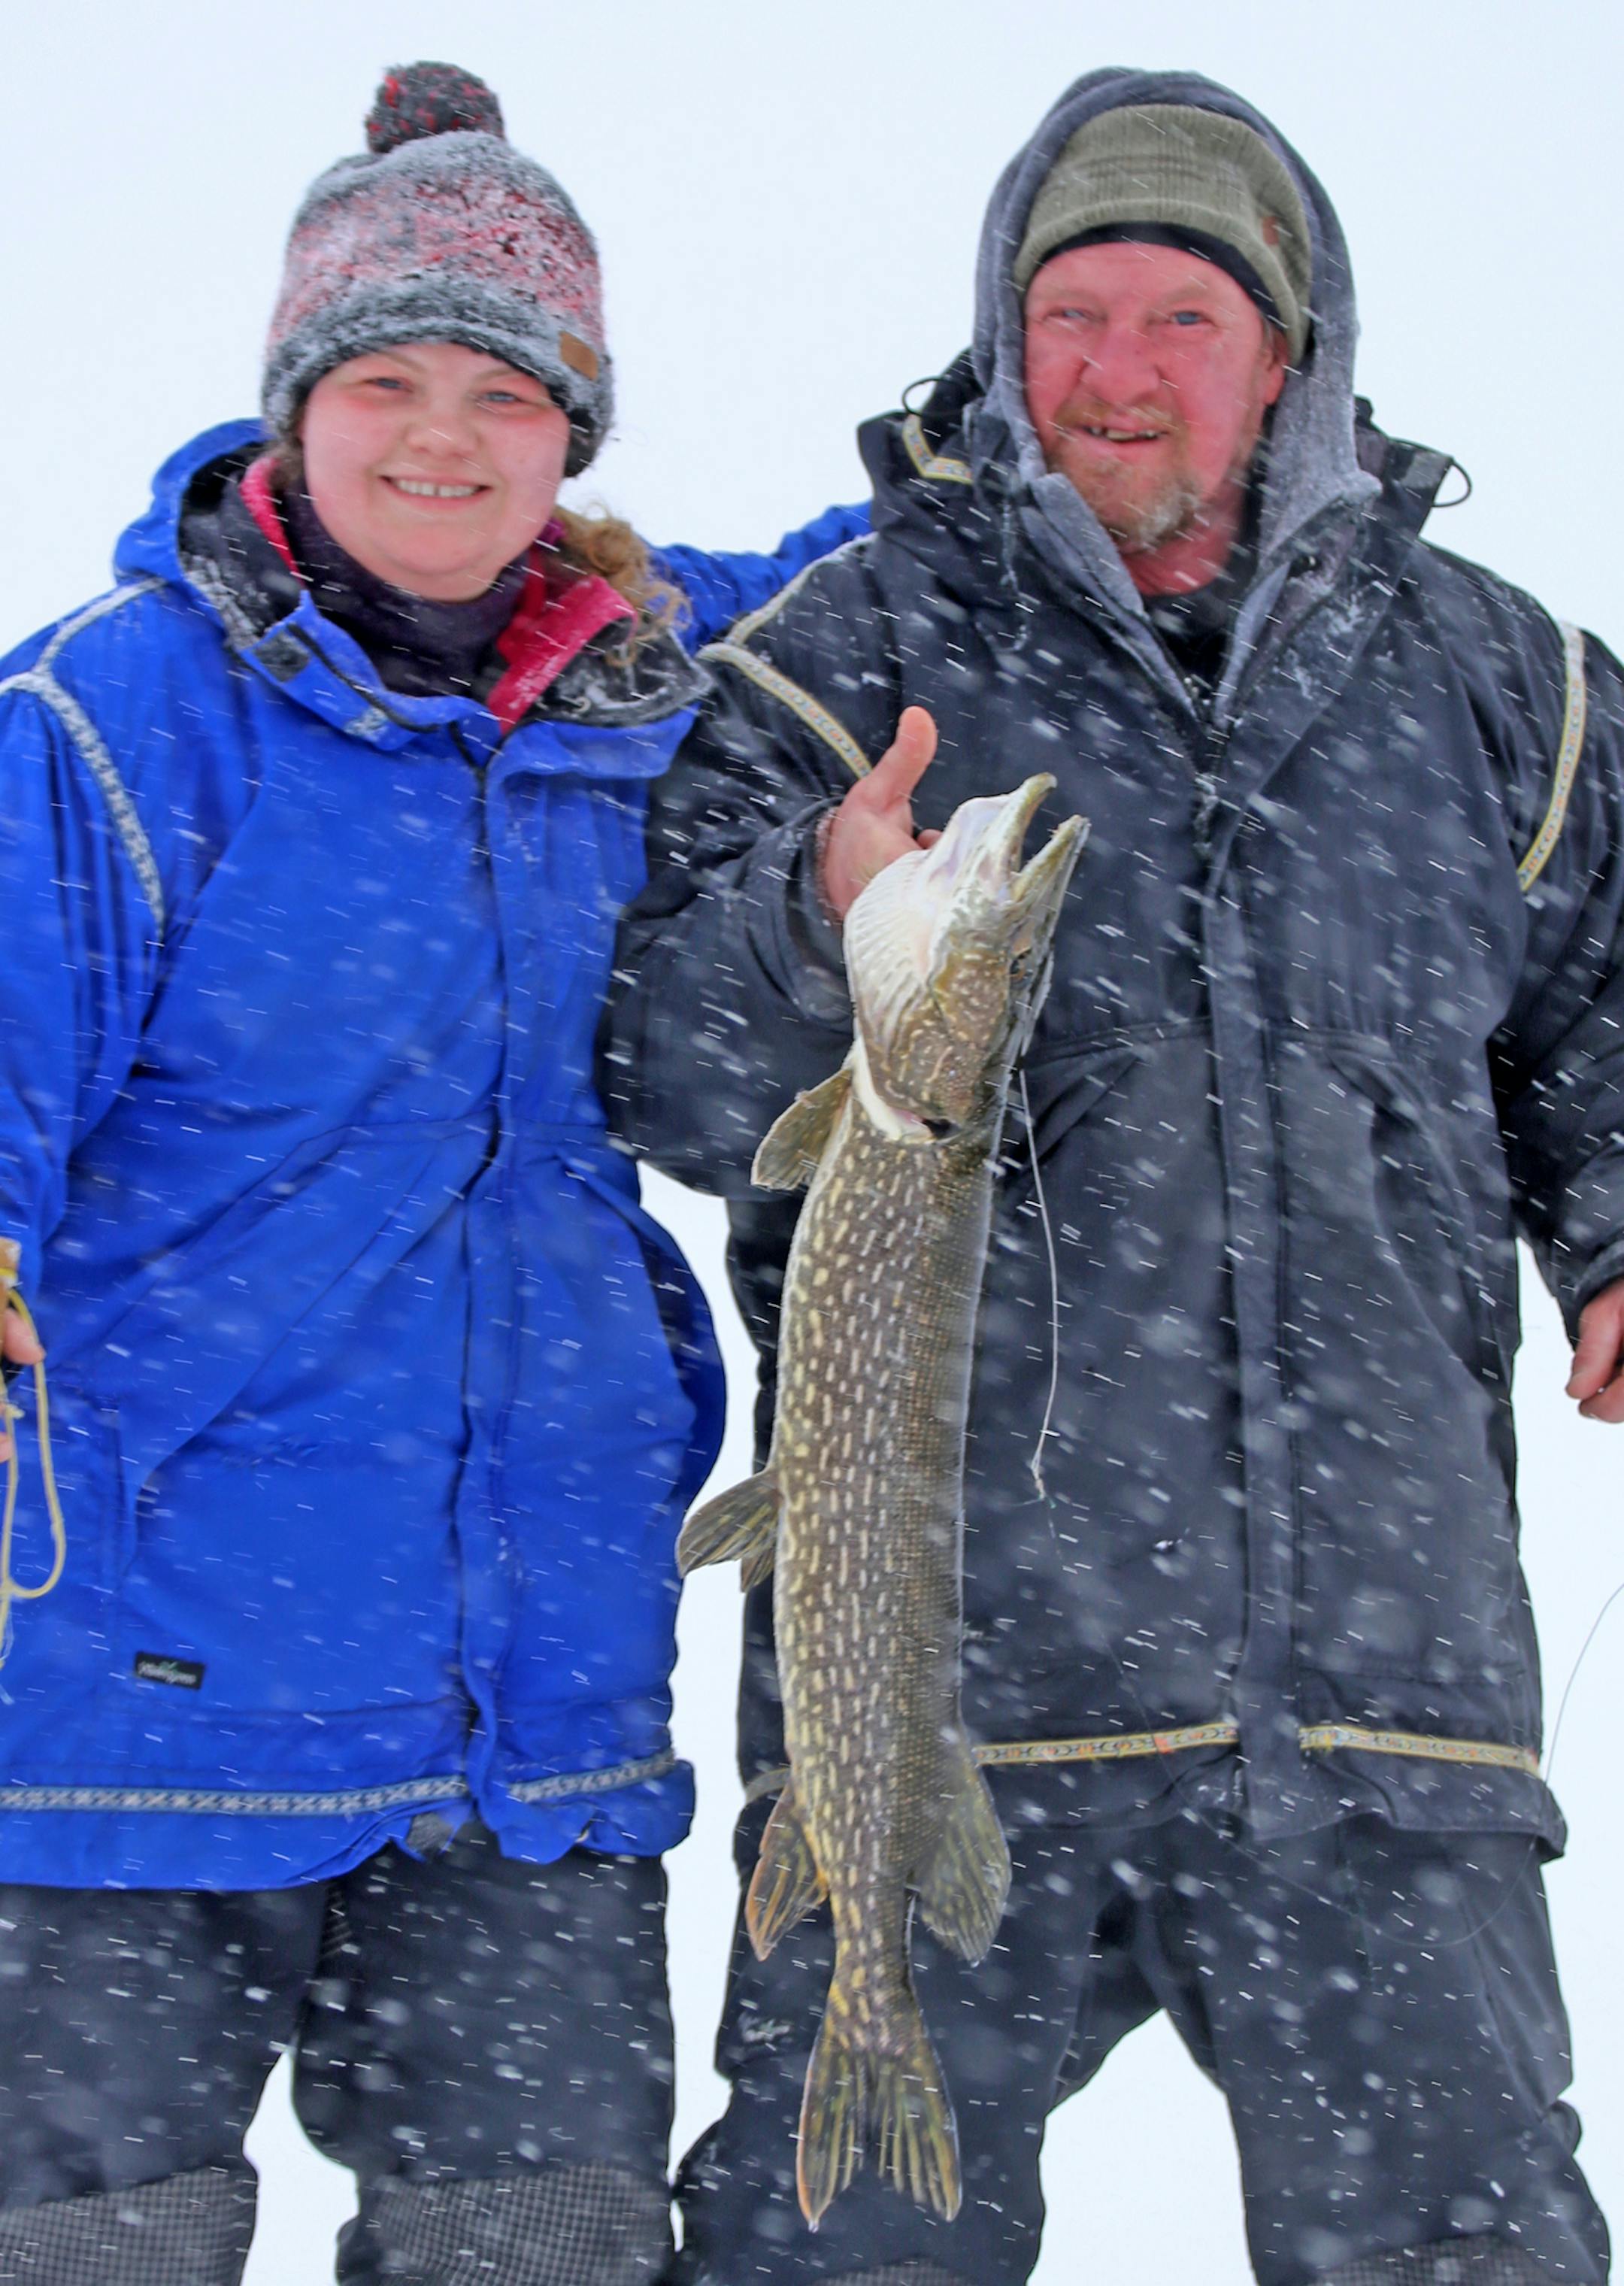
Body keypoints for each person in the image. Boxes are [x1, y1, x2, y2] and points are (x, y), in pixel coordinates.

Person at [606, 66, 1622, 2286]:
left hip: (1378, 1700)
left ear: (1289, 356)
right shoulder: (839, 661)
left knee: (1470, 2254)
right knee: (834, 2257)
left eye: (1182, 319)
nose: (1117, 373)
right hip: (939, 1690)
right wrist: (816, 917)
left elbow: (1602, 1003)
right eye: (1073, 315)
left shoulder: (1504, 684)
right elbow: (666, 1066)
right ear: (1002, 334)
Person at [0, 60, 863, 2286]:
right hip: (137, 1707)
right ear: (291, 408)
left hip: (526, 1716)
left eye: (505, 389)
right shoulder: (116, 720)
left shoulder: (643, 712)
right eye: (382, 379)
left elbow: (861, 600)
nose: (440, 439)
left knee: (546, 2252)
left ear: (578, 432)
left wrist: (968, 459)